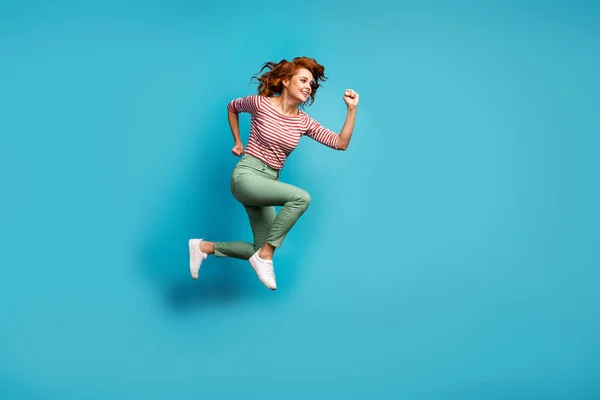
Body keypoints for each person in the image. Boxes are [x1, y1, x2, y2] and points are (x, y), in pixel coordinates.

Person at [188, 56, 359, 290]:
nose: (309, 86)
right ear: (286, 81)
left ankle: (203, 247)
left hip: (268, 182)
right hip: (247, 176)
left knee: (259, 249)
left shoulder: (303, 122)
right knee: (301, 198)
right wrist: (238, 141)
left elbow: (340, 143)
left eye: (312, 84)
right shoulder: (261, 104)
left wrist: (351, 109)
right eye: (303, 80)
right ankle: (265, 256)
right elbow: (232, 107)